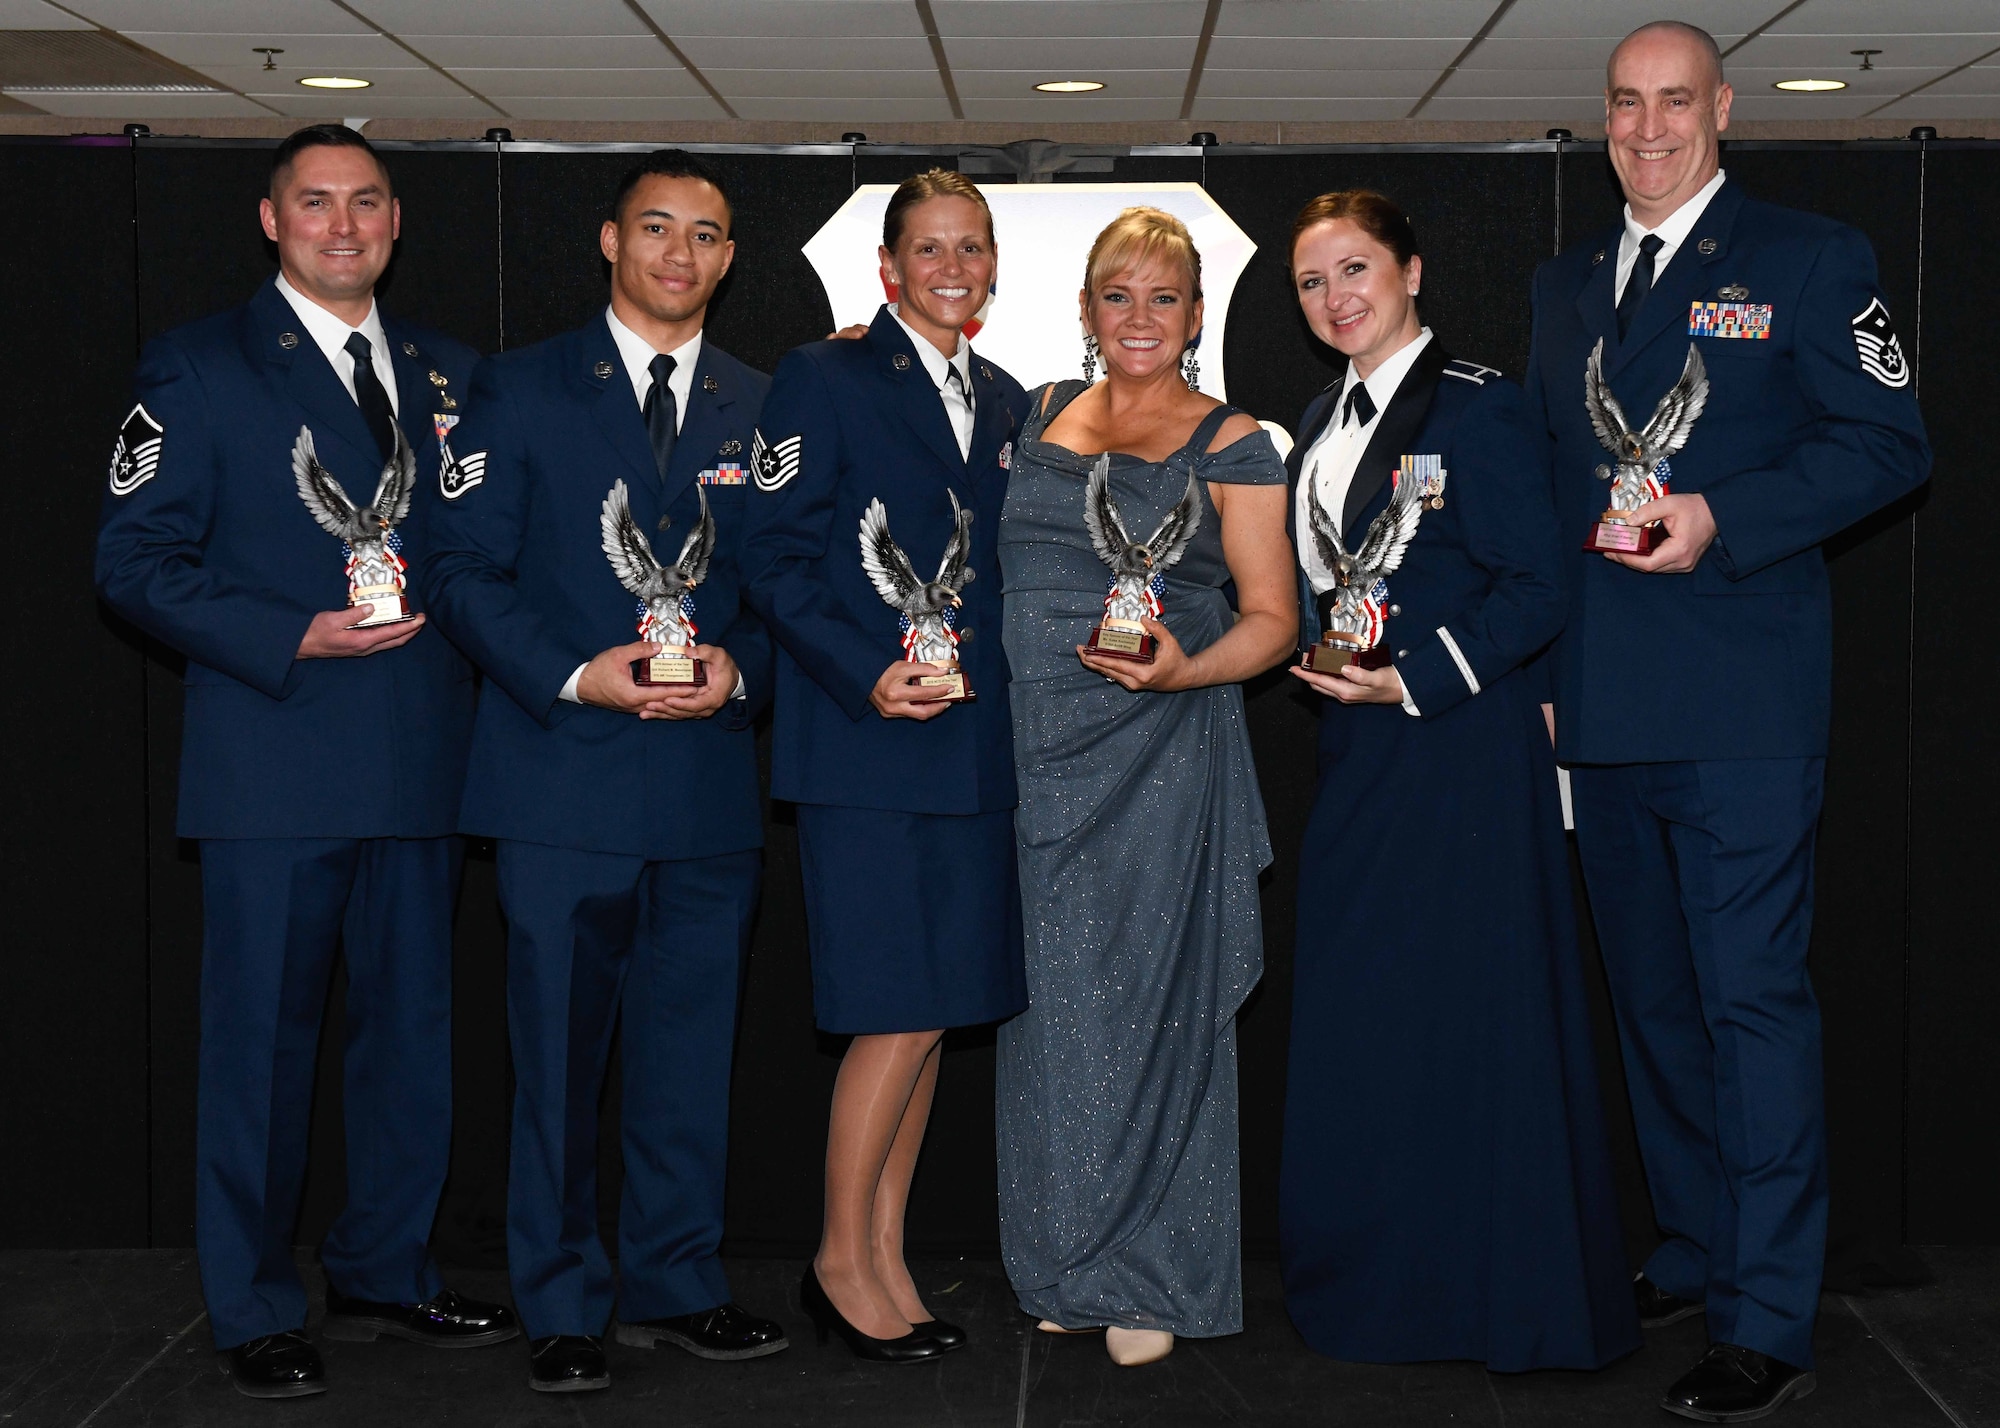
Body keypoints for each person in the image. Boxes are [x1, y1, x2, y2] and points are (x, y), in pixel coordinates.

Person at [1525, 22, 1931, 1421]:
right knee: (1653, 1005)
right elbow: (1552, 483)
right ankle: (1699, 1243)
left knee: (1751, 1007)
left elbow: (1891, 444)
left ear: (1724, 107)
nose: (1647, 128)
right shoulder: (1567, 286)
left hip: (1744, 710)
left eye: (1674, 102)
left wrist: (1722, 518)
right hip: (1608, 706)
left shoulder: (1812, 258)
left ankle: (1769, 1316)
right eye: (1626, 104)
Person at [94, 124, 514, 1399]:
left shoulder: (453, 376)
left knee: (410, 1042)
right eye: (317, 203)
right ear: (271, 220)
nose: (345, 225)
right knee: (261, 1051)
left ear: (396, 221)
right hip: (275, 767)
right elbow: (134, 563)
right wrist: (289, 632)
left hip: (424, 765)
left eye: (368, 203)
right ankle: (256, 1302)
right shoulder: (199, 368)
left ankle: (386, 1267)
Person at [418, 150, 784, 1394]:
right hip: (560, 781)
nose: (680, 253)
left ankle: (679, 1283)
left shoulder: (762, 403)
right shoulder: (513, 392)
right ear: (609, 241)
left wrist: (747, 673)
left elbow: (792, 587)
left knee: (690, 1062)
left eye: (706, 235)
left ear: (728, 260)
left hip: (703, 792)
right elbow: (459, 573)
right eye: (656, 228)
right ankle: (561, 1302)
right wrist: (578, 673)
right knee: (558, 1066)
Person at [1274, 190, 1640, 1373]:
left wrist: (1414, 680)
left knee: (1472, 1028)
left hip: (1460, 750)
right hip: (1357, 752)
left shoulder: (1476, 407)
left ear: (1412, 271)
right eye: (1312, 281)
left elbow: (1536, 586)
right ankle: (1386, 1291)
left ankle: (1498, 1302)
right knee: (1372, 1024)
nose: (1336, 296)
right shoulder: (1318, 418)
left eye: (1355, 269)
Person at [995, 206, 1296, 1368]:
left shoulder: (1233, 441)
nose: (1136, 318)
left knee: (1158, 1013)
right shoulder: (1030, 416)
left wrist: (1181, 670)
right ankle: (1064, 1263)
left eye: (1161, 297)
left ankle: (1155, 1280)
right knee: (1052, 1022)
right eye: (1115, 295)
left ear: (1194, 316)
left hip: (1160, 755)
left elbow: (1274, 619)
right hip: (1030, 759)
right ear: (1084, 309)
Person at [738, 169, 1028, 1364]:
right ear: (888, 269)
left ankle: (887, 1254)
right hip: (867, 747)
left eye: (970, 247)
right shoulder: (824, 376)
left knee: (934, 1019)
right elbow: (773, 556)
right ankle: (833, 1261)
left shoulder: (1009, 401)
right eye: (928, 248)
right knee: (889, 1016)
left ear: (992, 269)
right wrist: (867, 670)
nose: (950, 266)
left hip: (970, 753)